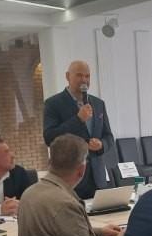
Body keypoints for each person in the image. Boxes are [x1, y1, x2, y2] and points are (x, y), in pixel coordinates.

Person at [43, 60, 114, 199]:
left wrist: (101, 145)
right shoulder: (53, 104)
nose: (84, 80)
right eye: (79, 75)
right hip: (70, 178)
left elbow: (109, 137)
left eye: (87, 76)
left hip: (96, 177)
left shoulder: (98, 104)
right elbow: (49, 138)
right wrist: (78, 119)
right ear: (67, 76)